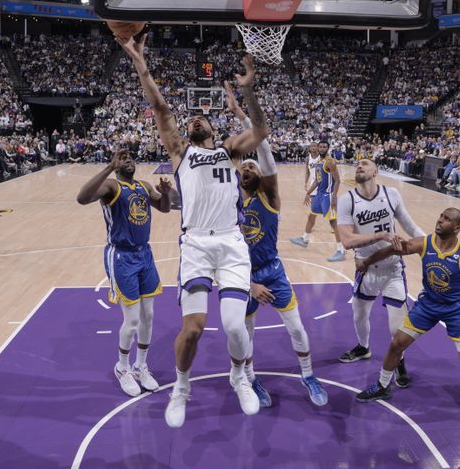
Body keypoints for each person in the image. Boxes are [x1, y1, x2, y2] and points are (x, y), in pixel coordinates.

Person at [116, 32, 268, 428]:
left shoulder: (230, 151)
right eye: (190, 119)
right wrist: (141, 64)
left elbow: (261, 133)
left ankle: (240, 375)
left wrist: (248, 91)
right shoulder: (182, 153)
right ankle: (182, 387)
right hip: (197, 243)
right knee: (194, 328)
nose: (194, 118)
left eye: (200, 118)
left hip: (232, 242)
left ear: (213, 128)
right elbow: (161, 107)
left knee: (236, 324)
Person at [226, 82, 328, 408]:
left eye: (252, 165)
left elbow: (264, 148)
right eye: (243, 165)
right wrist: (249, 283)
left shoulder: (270, 197)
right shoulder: (228, 200)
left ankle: (309, 375)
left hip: (273, 271)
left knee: (297, 328)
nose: (247, 167)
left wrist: (244, 111)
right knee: (246, 335)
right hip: (243, 276)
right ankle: (250, 379)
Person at [354, 208, 460, 427]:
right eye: (440, 216)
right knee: (397, 343)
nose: (440, 221)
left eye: (447, 220)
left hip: (456, 310)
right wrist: (367, 262)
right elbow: (391, 251)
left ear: (457, 228)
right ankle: (383, 385)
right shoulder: (424, 243)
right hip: (427, 306)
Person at [76, 149, 171, 397]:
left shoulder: (144, 185)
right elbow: (82, 198)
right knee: (132, 320)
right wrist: (109, 166)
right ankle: (122, 367)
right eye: (123, 157)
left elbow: (164, 209)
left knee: (148, 315)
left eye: (131, 157)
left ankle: (141, 366)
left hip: (145, 255)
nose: (128, 159)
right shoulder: (111, 186)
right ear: (117, 164)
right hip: (121, 256)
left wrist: (166, 193)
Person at [335, 159, 425, 388]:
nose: (359, 166)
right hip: (365, 267)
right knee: (359, 314)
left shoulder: (391, 193)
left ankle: (399, 361)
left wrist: (430, 246)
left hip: (393, 268)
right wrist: (382, 235)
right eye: (357, 164)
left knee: (396, 327)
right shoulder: (347, 200)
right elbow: (346, 240)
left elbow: (411, 227)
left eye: (365, 163)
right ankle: (363, 348)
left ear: (375, 171)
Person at [290, 140, 346, 262]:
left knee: (333, 223)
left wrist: (334, 197)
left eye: (324, 147)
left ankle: (341, 251)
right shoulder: (318, 162)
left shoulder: (330, 162)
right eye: (320, 147)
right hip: (319, 195)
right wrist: (308, 193)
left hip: (327, 195)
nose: (321, 148)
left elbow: (337, 181)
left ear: (327, 148)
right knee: (311, 216)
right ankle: (305, 239)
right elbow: (317, 180)